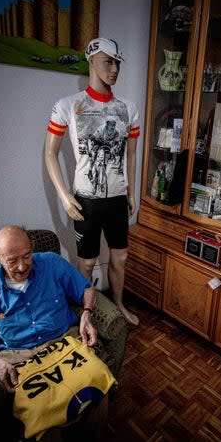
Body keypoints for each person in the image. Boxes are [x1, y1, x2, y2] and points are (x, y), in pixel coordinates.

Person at [44, 37, 141, 326]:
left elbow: (131, 156)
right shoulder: (67, 106)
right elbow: (50, 153)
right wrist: (63, 195)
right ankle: (87, 313)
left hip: (118, 198)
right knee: (86, 262)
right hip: (85, 197)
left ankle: (118, 304)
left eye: (117, 63)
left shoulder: (128, 108)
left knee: (119, 258)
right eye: (108, 61)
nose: (114, 69)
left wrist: (131, 192)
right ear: (91, 62)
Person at [0, 225, 97, 392]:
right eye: (12, 261)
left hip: (64, 340)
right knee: (39, 408)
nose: (22, 267)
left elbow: (87, 289)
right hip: (19, 356)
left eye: (27, 256)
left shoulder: (52, 263)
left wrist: (86, 315)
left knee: (93, 382)